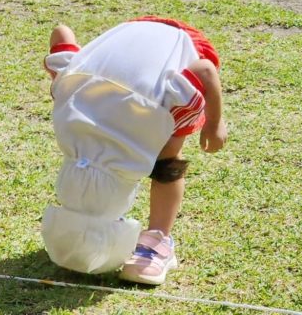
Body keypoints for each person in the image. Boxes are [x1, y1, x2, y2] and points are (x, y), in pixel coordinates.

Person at [40, 16, 227, 285]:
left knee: (166, 163)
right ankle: (114, 222)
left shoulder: (167, 104)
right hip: (131, 31)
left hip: (177, 50)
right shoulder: (67, 91)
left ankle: (158, 240)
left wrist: (214, 122)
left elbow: (205, 69)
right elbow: (62, 33)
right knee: (156, 148)